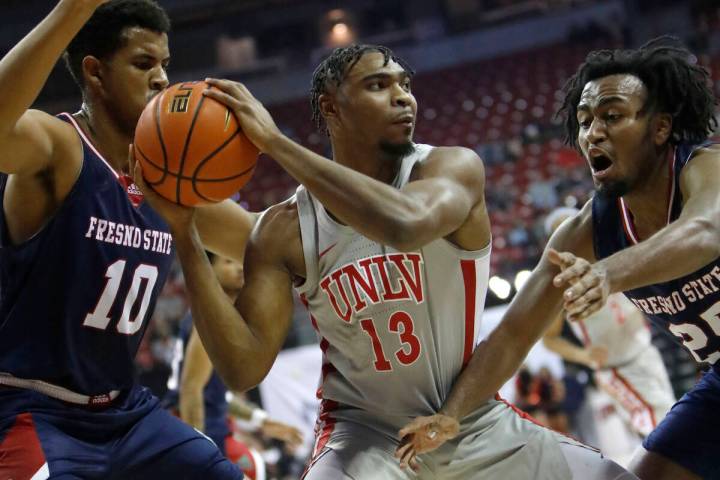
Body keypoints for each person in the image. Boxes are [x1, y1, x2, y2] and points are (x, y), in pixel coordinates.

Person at [136, 43, 634, 479]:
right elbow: (243, 370)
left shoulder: (449, 166)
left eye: (405, 83)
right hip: (363, 438)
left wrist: (274, 143)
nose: (404, 96)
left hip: (471, 419)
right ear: (332, 108)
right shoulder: (283, 229)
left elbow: (404, 224)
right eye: (379, 84)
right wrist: (183, 235)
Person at [396, 37, 719, 480]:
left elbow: (705, 232)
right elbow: (514, 332)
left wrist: (606, 273)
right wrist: (451, 416)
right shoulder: (590, 229)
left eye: (612, 116)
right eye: (585, 121)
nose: (594, 133)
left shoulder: (704, 168)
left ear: (660, 128)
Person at [0, 1, 254, 478]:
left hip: (126, 413)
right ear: (95, 73)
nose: (162, 78)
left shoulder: (166, 179)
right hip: (32, 406)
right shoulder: (59, 146)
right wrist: (72, 10)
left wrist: (277, 145)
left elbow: (268, 239)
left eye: (164, 65)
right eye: (143, 64)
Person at [162, 252, 303, 475]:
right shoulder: (210, 317)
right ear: (210, 270)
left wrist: (262, 421)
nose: (239, 267)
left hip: (206, 425)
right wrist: (197, 455)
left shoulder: (221, 314)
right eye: (229, 261)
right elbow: (191, 390)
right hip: (194, 426)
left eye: (240, 261)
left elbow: (214, 394)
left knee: (255, 468)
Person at [542, 207, 676, 437]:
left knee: (670, 419)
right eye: (562, 232)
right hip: (615, 368)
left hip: (645, 353)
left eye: (573, 226)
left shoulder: (612, 254)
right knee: (665, 428)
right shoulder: (562, 284)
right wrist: (583, 356)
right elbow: (549, 339)